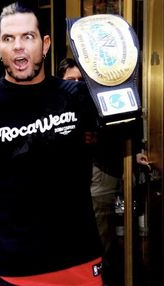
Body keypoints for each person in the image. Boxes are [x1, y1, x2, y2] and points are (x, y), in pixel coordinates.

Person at [0, 2, 103, 286]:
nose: (18, 46)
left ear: (45, 44)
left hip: (79, 260)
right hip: (13, 269)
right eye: (9, 38)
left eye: (27, 37)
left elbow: (117, 143)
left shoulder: (77, 97)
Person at [57, 57, 149, 286]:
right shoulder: (55, 105)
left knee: (101, 238)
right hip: (66, 185)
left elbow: (122, 131)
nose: (77, 84)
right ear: (61, 81)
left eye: (81, 79)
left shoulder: (100, 102)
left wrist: (133, 154)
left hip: (100, 176)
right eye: (71, 80)